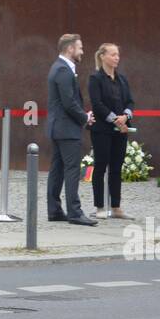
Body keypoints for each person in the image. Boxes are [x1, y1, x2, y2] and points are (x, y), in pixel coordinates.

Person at [46, 34, 97, 226]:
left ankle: (55, 210)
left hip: (59, 128)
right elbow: (68, 102)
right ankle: (75, 212)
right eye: (80, 47)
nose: (82, 51)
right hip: (66, 129)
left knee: (57, 170)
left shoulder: (59, 68)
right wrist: (85, 117)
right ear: (70, 49)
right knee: (71, 170)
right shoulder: (63, 70)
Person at [88, 43, 135, 219]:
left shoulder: (122, 79)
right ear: (103, 57)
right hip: (102, 130)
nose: (117, 57)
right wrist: (115, 119)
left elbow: (130, 101)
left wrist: (125, 116)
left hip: (121, 130)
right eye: (113, 54)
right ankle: (99, 207)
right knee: (100, 167)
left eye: (118, 54)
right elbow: (97, 104)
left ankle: (116, 206)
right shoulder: (96, 78)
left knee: (117, 167)